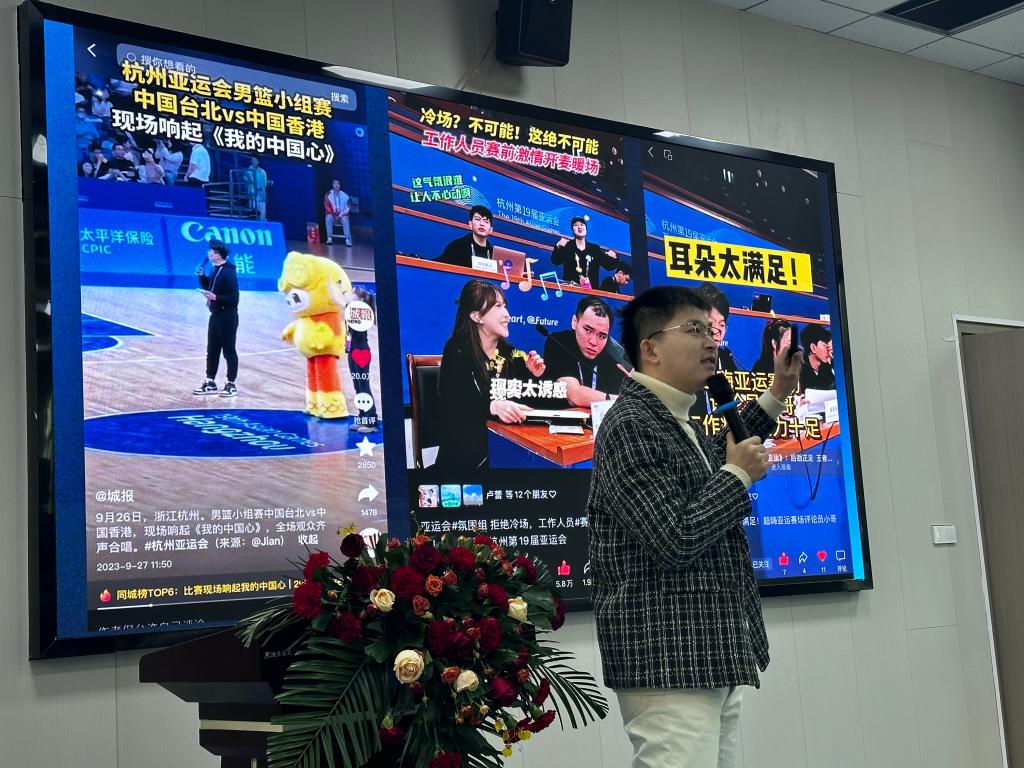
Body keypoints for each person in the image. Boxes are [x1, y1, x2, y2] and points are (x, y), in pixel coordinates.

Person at [588, 285, 801, 768]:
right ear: (650, 349)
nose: (710, 341)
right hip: (667, 657)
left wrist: (777, 394)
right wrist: (738, 476)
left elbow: (722, 455)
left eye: (710, 330)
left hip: (706, 648)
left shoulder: (672, 417)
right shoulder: (631, 424)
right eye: (694, 330)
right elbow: (675, 537)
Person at [434, 280, 545, 472]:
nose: (507, 315)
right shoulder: (456, 350)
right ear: (477, 316)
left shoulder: (512, 354)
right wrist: (492, 406)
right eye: (498, 306)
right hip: (467, 458)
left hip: (506, 449)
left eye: (505, 306)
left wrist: (534, 376)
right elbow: (457, 404)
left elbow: (526, 405)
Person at [542, 296, 627, 407]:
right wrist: (621, 401)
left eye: (602, 336)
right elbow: (574, 395)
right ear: (574, 322)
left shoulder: (615, 356)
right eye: (588, 330)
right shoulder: (558, 342)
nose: (593, 342)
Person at [192, 242, 240, 397]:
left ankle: (231, 384)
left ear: (218, 255)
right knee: (212, 350)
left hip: (227, 317)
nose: (209, 254)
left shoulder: (228, 272)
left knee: (228, 351)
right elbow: (210, 286)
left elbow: (234, 299)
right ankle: (210, 382)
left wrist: (216, 298)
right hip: (215, 315)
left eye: (211, 252)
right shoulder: (215, 269)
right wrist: (202, 276)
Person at [549, 216, 617, 289]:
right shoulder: (568, 246)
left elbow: (609, 266)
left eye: (582, 225)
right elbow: (556, 261)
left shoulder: (595, 249)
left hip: (591, 292)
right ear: (572, 231)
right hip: (571, 290)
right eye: (576, 225)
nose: (579, 227)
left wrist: (614, 257)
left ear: (586, 229)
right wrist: (558, 245)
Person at [800, 324, 835, 390]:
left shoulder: (828, 367)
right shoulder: (798, 370)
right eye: (824, 345)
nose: (828, 349)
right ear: (813, 347)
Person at [323, 179, 352, 245]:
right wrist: (334, 215)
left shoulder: (345, 196)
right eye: (334, 183)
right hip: (332, 215)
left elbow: (348, 208)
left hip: (342, 215)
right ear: (332, 185)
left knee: (345, 219)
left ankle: (347, 239)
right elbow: (326, 207)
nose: (336, 185)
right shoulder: (328, 195)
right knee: (328, 218)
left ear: (340, 185)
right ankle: (329, 238)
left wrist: (340, 215)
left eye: (338, 183)